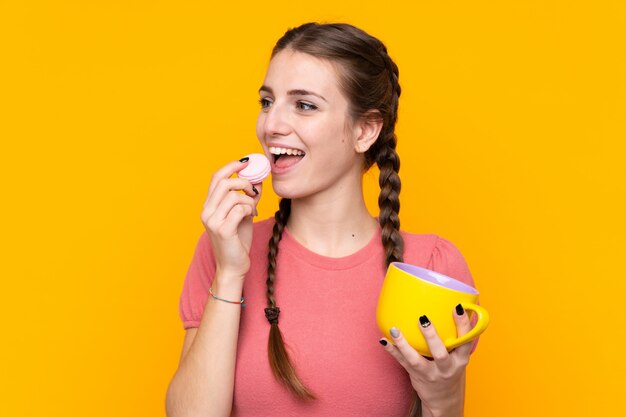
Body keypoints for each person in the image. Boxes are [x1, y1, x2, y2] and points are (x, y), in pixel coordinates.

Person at [166, 22, 479, 417]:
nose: (271, 125)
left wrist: (446, 399)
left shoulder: (431, 266)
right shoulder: (226, 250)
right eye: (267, 102)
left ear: (365, 130)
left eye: (304, 105)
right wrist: (230, 272)